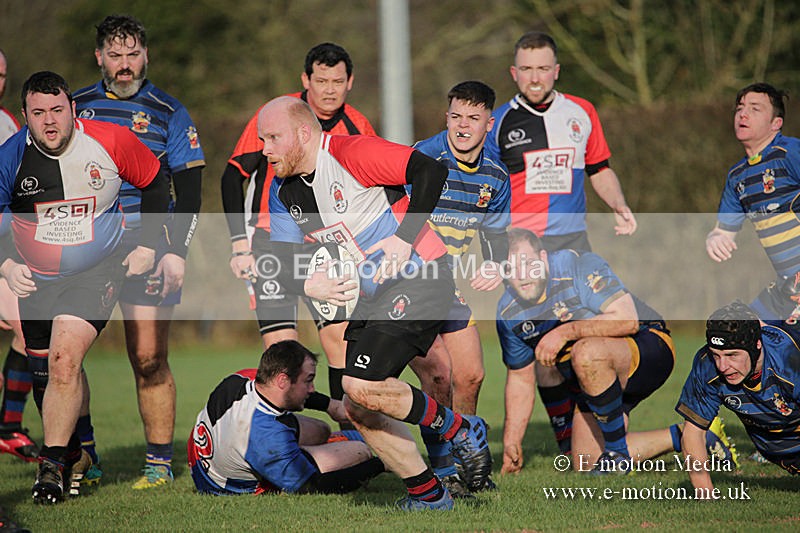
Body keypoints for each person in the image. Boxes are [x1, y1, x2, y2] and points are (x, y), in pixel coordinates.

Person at [257, 96, 492, 510]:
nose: (265, 149)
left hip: (419, 275)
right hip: (372, 297)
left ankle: (457, 433)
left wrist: (404, 239)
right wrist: (309, 283)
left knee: (362, 385)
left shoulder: (351, 152)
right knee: (361, 405)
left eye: (273, 138)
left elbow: (429, 170)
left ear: (304, 133)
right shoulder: (282, 189)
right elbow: (284, 260)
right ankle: (430, 494)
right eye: (263, 140)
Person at [0, 71, 169, 504]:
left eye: (58, 110)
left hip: (98, 271)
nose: (50, 121)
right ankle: (76, 453)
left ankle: (50, 468)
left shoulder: (110, 141)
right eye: (39, 113)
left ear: (74, 108)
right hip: (35, 280)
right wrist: (5, 265)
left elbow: (154, 182)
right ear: (25, 116)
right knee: (46, 376)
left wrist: (150, 245)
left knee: (64, 360)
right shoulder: (10, 157)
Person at [72, 14, 205, 489]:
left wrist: (178, 253)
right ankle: (82, 456)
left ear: (146, 55)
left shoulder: (169, 111)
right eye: (115, 55)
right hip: (82, 250)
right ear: (99, 58)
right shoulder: (74, 108)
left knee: (148, 357)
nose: (124, 65)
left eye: (132, 55)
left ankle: (158, 465)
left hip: (150, 249)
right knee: (65, 357)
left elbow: (189, 192)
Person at [495, 228, 733, 474]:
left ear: (543, 258)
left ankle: (617, 454)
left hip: (648, 345)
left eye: (528, 264)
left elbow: (627, 319)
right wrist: (511, 443)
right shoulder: (508, 313)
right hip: (596, 376)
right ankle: (692, 436)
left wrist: (564, 333)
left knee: (585, 351)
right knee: (586, 463)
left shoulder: (576, 265)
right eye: (512, 269)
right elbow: (520, 379)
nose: (523, 275)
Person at [221, 42, 375, 407]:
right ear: (305, 79)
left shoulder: (357, 125)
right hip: (269, 242)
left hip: (325, 246)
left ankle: (349, 427)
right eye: (321, 80)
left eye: (337, 80)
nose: (329, 89)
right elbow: (232, 176)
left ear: (350, 81)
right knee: (282, 354)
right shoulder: (276, 115)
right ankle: (282, 442)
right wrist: (239, 245)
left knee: (339, 338)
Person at [411, 80, 510, 496]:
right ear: (445, 117)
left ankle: (468, 460)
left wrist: (496, 264)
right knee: (439, 376)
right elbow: (387, 212)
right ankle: (444, 469)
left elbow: (497, 236)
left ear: (489, 123)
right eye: (456, 117)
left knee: (470, 376)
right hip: (408, 283)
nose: (463, 126)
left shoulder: (495, 176)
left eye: (473, 118)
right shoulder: (423, 156)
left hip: (448, 286)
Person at [488, 31, 636, 252]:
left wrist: (618, 203)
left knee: (611, 288)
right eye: (526, 69)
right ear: (514, 73)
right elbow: (486, 186)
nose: (535, 78)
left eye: (543, 69)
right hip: (521, 244)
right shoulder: (497, 122)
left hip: (573, 240)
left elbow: (599, 170)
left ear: (556, 71)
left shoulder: (582, 111)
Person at [189, 340, 384, 495]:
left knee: (321, 430)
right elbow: (312, 487)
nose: (312, 389)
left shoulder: (242, 379)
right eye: (308, 381)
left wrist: (330, 405)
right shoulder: (267, 440)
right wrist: (380, 464)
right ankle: (297, 458)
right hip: (223, 486)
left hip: (203, 456)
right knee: (360, 451)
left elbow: (291, 395)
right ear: (282, 379)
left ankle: (303, 452)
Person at [676, 302, 800, 497]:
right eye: (716, 355)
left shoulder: (789, 359)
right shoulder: (707, 366)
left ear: (756, 345)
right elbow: (693, 433)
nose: (723, 365)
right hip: (780, 448)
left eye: (732, 355)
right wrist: (705, 496)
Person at [706, 83, 800, 326]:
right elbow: (724, 230)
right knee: (739, 334)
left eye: (755, 109)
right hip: (786, 288)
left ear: (775, 123)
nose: (743, 114)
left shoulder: (789, 153)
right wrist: (716, 238)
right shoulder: (737, 176)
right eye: (739, 108)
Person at [0, 47, 38, 463]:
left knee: (26, 331)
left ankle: (9, 427)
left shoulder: (10, 122)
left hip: (5, 249)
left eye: (3, 74)